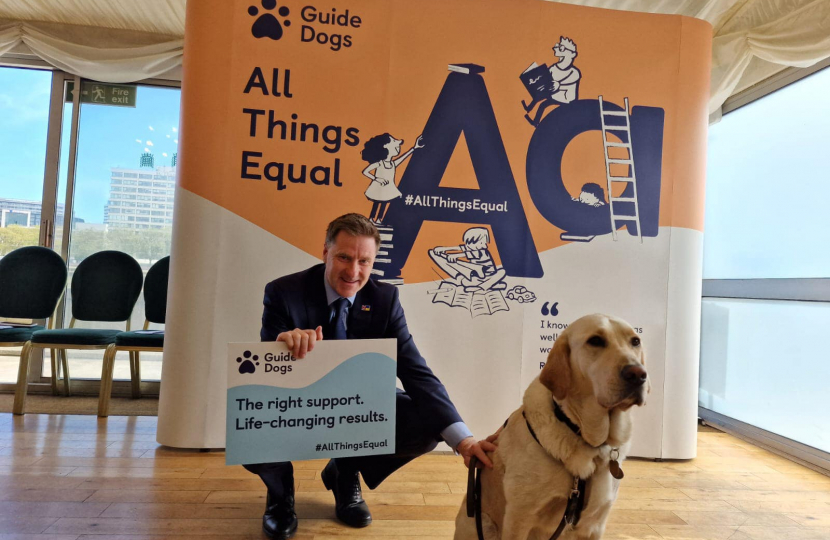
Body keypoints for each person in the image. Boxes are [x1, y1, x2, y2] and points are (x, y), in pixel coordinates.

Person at [245, 213, 495, 539]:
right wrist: (282, 344)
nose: (353, 271)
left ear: (373, 260)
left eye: (364, 261)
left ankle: (345, 471)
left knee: (427, 423)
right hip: (298, 400)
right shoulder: (283, 291)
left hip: (358, 403)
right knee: (248, 414)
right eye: (344, 258)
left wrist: (463, 440)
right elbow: (266, 364)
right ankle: (280, 494)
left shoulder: (384, 299)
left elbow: (414, 370)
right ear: (325, 253)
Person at [361, 133, 424, 225]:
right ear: (385, 146)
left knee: (384, 204)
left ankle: (378, 219)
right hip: (379, 187)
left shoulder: (392, 164)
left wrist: (414, 148)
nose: (398, 147)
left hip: (388, 188)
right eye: (394, 143)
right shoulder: (380, 163)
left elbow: (403, 158)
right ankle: (371, 219)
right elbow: (365, 171)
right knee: (377, 203)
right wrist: (377, 179)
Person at [523, 36, 581, 127]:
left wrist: (559, 85)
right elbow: (546, 77)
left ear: (572, 54)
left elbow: (570, 81)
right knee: (540, 95)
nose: (556, 49)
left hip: (566, 99)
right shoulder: (554, 68)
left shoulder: (574, 72)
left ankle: (535, 121)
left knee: (543, 104)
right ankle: (530, 110)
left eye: (561, 48)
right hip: (555, 94)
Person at [429, 227, 507, 292]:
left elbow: (468, 254)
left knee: (502, 272)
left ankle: (482, 287)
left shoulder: (482, 251)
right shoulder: (471, 247)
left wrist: (456, 255)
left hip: (489, 274)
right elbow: (460, 248)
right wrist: (444, 249)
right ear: (471, 242)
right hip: (477, 277)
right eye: (481, 243)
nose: (484, 245)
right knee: (465, 282)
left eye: (485, 243)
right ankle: (491, 285)